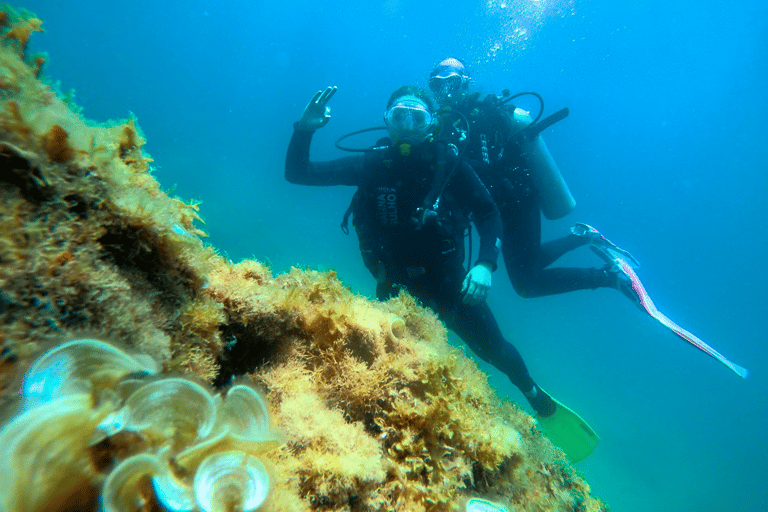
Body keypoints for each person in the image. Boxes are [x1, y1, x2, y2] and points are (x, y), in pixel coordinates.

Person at [285, 85, 599, 461]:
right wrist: (304, 129)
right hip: (394, 287)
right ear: (386, 120)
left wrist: (485, 264)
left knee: (494, 351)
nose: (406, 126)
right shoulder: (370, 164)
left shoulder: (449, 164)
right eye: (399, 116)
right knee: (391, 368)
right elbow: (298, 174)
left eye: (417, 118)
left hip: (452, 288)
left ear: (431, 124)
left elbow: (489, 214)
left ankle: (535, 396)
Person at [427, 57, 638, 301]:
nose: (445, 92)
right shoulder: (441, 124)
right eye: (437, 85)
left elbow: (485, 170)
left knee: (526, 282)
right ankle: (583, 238)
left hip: (515, 201)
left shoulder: (484, 116)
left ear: (465, 83)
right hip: (487, 208)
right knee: (530, 263)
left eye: (452, 83)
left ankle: (612, 277)